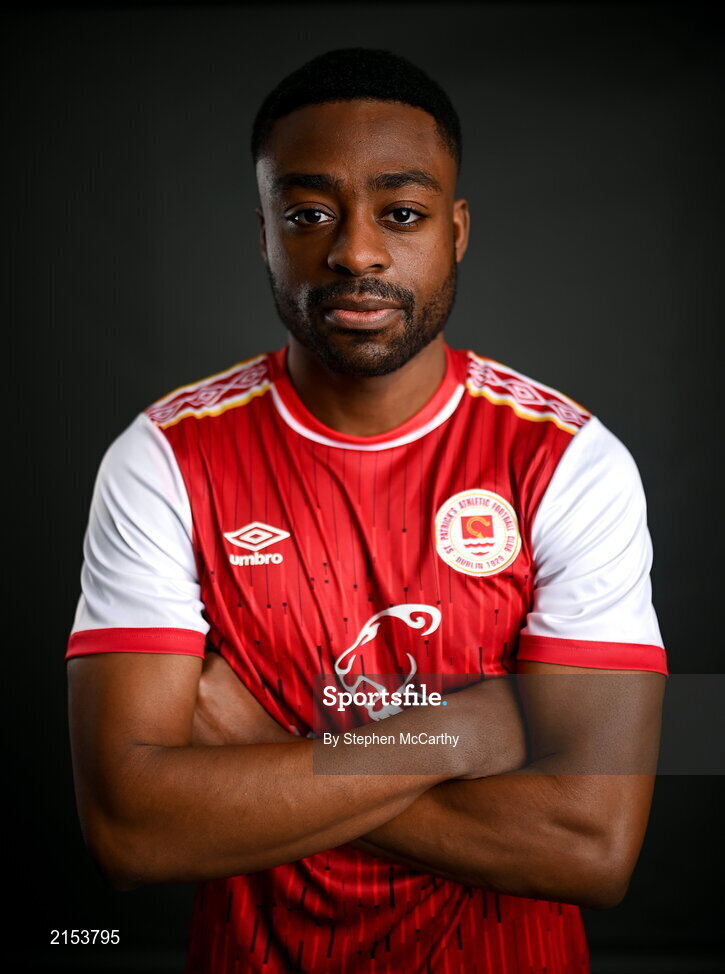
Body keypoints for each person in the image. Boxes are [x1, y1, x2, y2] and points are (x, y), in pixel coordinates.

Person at [66, 48, 668, 974]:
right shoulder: (163, 459)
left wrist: (267, 750)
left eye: (401, 213)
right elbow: (132, 831)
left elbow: (587, 847)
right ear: (262, 231)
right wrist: (464, 731)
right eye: (307, 215)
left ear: (455, 231)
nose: (355, 249)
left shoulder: (567, 462)